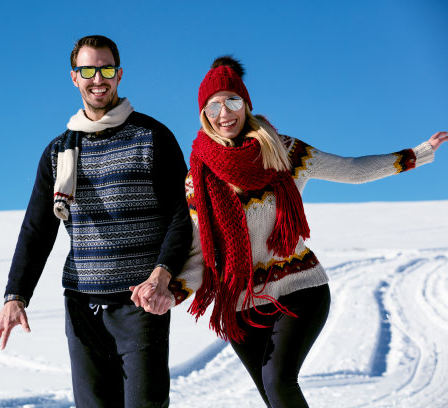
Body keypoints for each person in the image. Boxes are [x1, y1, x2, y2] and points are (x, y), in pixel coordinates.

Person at [154, 56, 447, 408]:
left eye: (232, 101)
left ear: (246, 105)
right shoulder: (197, 179)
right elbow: (200, 252)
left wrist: (414, 155)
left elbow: (352, 170)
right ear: (204, 114)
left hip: (299, 290)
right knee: (274, 395)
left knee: (279, 383)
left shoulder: (285, 151)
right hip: (240, 303)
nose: (223, 112)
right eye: (213, 105)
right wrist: (174, 292)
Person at [0, 35, 192, 408]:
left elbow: (182, 214)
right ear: (74, 77)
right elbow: (37, 229)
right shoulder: (58, 152)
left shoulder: (152, 137)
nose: (99, 79)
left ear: (120, 74)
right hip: (82, 307)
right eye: (89, 70)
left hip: (140, 304)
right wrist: (15, 295)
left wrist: (162, 274)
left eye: (107, 69)